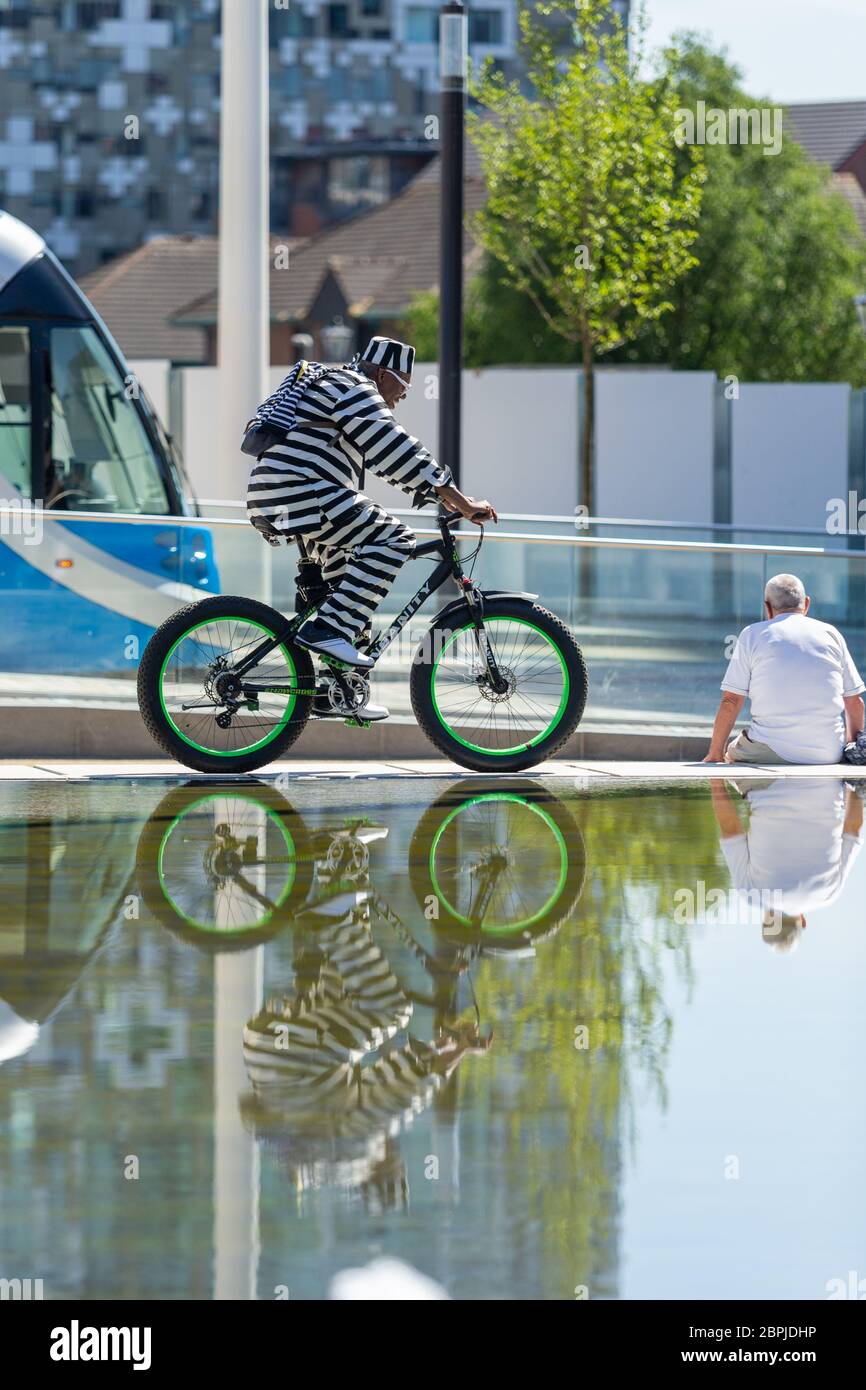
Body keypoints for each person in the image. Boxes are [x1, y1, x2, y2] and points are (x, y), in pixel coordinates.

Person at [247, 336, 497, 721]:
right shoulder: (353, 387)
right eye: (404, 384)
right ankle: (327, 630)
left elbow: (385, 463)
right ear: (383, 374)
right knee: (394, 540)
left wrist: (439, 496)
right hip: (303, 493)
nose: (403, 395)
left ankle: (337, 691)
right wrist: (462, 502)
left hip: (282, 497)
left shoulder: (331, 383)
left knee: (347, 581)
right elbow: (394, 448)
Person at [704, 573, 865, 765]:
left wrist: (715, 754)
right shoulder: (832, 634)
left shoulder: (751, 635)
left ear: (767, 607)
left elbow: (731, 701)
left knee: (732, 752)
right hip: (828, 754)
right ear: (806, 604)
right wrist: (851, 750)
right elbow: (854, 701)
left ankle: (749, 793)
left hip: (769, 750)